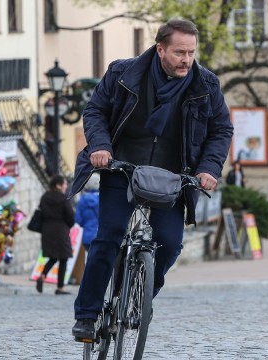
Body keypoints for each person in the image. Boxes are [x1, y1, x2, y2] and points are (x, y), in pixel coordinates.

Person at [69, 19, 233, 340]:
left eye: (191, 52)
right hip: (122, 170)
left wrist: (209, 168)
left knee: (169, 245)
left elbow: (220, 130)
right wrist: (101, 147)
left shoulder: (206, 85)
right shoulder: (123, 74)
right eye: (179, 52)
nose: (187, 59)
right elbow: (95, 111)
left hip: (172, 179)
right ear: (160, 49)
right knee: (108, 238)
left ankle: (141, 298)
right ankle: (87, 316)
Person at [36, 174, 76, 295]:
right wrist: (68, 225)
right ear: (58, 185)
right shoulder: (63, 198)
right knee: (63, 258)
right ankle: (60, 287)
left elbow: (41, 214)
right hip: (61, 230)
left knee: (53, 257)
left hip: (47, 230)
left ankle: (42, 276)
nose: (65, 186)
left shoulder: (44, 197)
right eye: (64, 184)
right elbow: (70, 216)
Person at [75, 173, 100, 252]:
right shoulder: (103, 200)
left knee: (89, 259)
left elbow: (78, 220)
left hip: (87, 237)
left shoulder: (82, 200)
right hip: (101, 235)